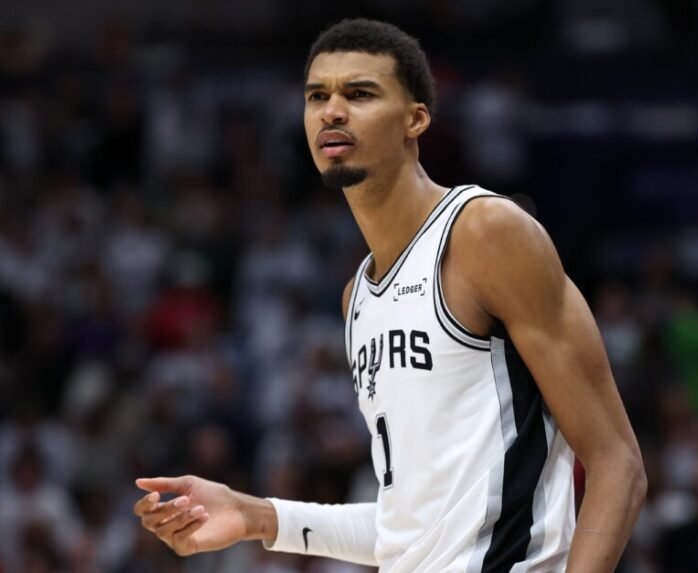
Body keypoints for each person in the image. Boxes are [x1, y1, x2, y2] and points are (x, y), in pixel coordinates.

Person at [133, 18, 646, 572]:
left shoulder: (484, 233)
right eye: (317, 96)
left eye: (359, 94)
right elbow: (411, 526)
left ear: (415, 119)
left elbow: (617, 463)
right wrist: (256, 516)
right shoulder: (359, 297)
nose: (331, 111)